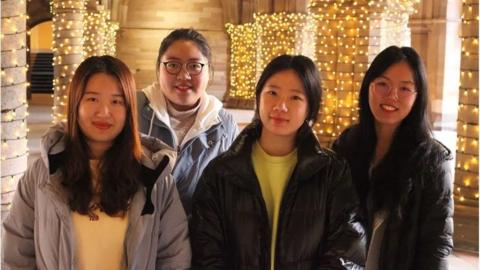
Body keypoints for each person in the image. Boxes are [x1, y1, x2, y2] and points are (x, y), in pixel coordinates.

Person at [3, 56, 191, 270]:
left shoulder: (155, 179)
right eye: (92, 99)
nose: (104, 112)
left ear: (129, 109)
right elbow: (16, 254)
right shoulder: (42, 175)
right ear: (76, 104)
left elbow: (173, 257)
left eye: (116, 101)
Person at [190, 54, 366, 269]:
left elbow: (346, 252)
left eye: (295, 98)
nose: (281, 106)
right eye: (272, 93)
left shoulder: (332, 172)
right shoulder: (221, 173)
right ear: (258, 97)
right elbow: (207, 253)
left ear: (310, 107)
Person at [332, 46, 453, 269]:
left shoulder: (433, 161)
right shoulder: (347, 145)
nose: (391, 95)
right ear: (368, 87)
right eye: (382, 84)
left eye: (405, 89)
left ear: (418, 96)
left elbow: (436, 244)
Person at [137, 28, 238, 214]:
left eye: (194, 66)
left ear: (209, 71)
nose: (184, 76)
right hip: (136, 233)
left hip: (197, 237)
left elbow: (230, 193)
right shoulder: (133, 110)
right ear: (158, 68)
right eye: (173, 65)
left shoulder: (224, 124)